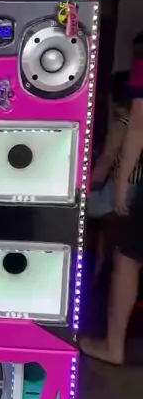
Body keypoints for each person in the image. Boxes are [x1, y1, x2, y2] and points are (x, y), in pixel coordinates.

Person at [81, 32, 143, 365]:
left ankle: (113, 345)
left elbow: (134, 133)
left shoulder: (123, 120)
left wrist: (118, 184)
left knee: (126, 259)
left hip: (129, 191)